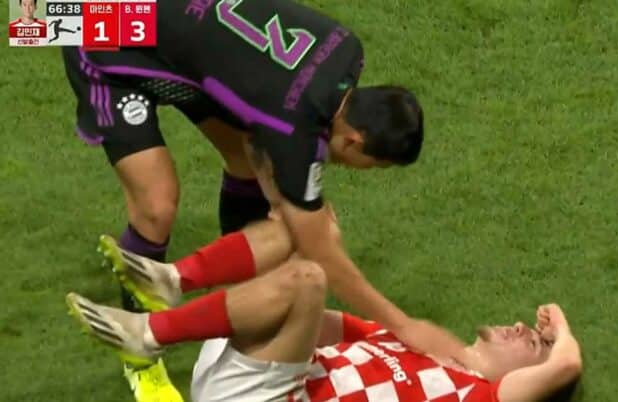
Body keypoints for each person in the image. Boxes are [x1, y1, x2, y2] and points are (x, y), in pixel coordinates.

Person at [59, 0, 441, 399]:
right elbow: (321, 251)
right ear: (354, 142)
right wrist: (403, 325)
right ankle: (139, 354)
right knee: (156, 207)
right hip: (111, 38)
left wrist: (281, 200)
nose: (362, 171)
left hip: (182, 44)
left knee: (245, 164)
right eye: (373, 166)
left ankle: (238, 304)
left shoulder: (346, 50)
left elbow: (259, 138)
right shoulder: (296, 121)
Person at [66, 254, 582, 402]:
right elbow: (321, 325)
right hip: (250, 377)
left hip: (272, 394)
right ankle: (172, 289)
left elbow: (568, 365)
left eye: (535, 343)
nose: (523, 327)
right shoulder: (414, 346)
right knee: (289, 250)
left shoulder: (479, 396)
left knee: (308, 278)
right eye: (533, 329)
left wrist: (559, 325)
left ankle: (151, 331)